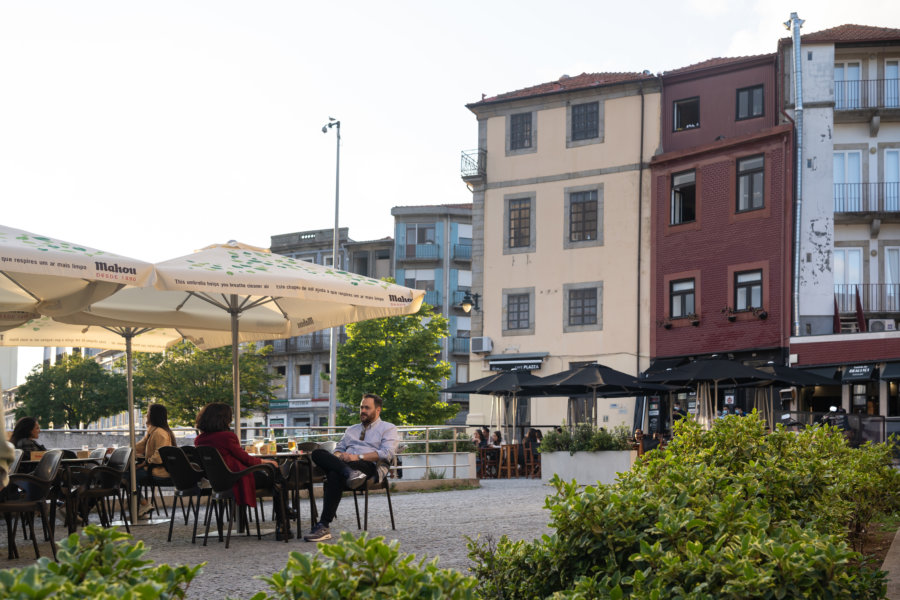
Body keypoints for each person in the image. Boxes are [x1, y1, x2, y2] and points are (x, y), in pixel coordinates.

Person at [305, 393, 399, 542]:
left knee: (333, 474)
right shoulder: (351, 430)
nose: (363, 411)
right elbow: (339, 448)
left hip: (368, 466)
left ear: (378, 410)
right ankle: (349, 473)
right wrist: (338, 456)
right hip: (346, 465)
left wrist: (357, 457)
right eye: (361, 407)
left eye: (367, 408)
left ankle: (323, 525)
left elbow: (387, 453)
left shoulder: (388, 428)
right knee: (317, 453)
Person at [194, 403, 289, 538]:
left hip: (218, 482)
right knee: (276, 475)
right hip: (237, 478)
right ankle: (283, 523)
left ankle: (286, 514)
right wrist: (267, 461)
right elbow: (247, 460)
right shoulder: (227, 437)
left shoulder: (199, 440)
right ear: (224, 419)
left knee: (275, 475)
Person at [133, 404, 176, 518]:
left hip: (159, 471)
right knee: (128, 476)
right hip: (153, 468)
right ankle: (142, 506)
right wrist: (123, 450)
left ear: (153, 415)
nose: (146, 415)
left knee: (129, 477)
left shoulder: (159, 433)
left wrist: (143, 463)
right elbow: (140, 446)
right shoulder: (153, 431)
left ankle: (143, 504)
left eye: (148, 412)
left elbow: (159, 456)